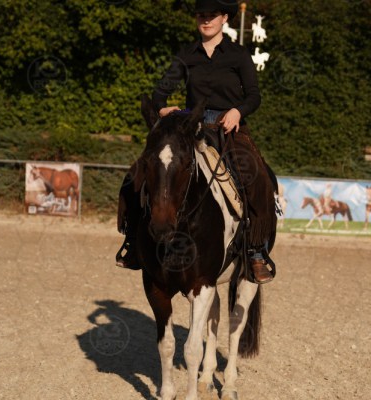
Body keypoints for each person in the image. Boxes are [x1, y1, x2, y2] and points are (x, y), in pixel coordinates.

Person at [116, 0, 277, 284]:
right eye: (201, 15)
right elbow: (160, 92)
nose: (206, 20)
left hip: (228, 127)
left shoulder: (238, 54)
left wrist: (238, 111)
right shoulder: (186, 54)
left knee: (256, 176)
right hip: (191, 125)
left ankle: (256, 251)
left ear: (224, 18)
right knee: (138, 173)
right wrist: (162, 108)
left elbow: (254, 96)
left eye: (212, 15)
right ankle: (132, 241)